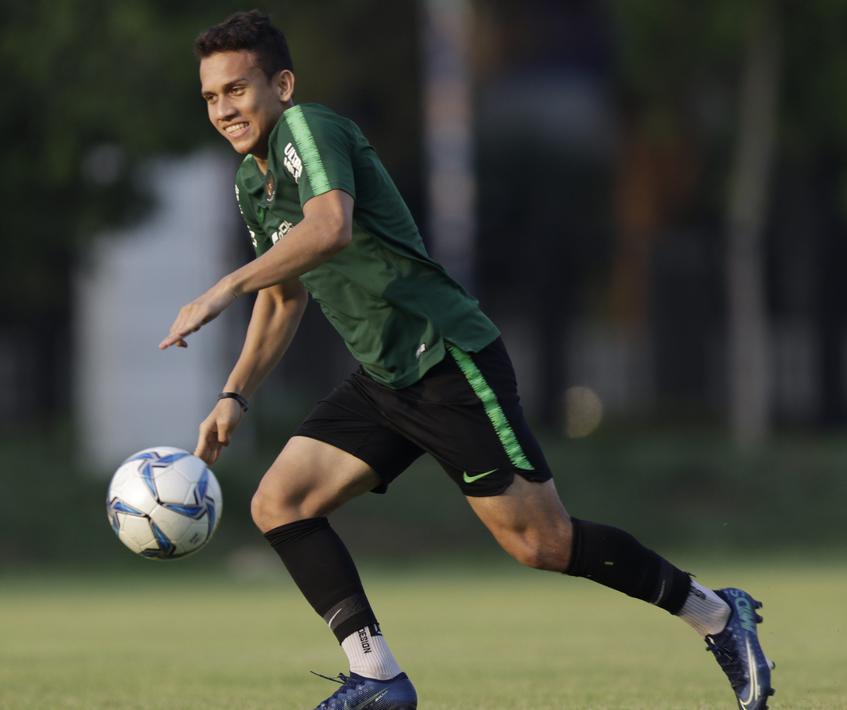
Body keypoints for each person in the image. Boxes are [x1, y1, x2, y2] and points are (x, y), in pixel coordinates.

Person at [161, 10, 774, 710]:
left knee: (541, 544)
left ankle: (716, 614)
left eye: (237, 89)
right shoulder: (252, 180)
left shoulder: (309, 128)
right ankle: (377, 677)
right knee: (280, 503)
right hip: (385, 378)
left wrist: (222, 288)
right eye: (211, 96)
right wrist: (234, 394)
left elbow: (330, 228)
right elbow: (283, 296)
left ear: (282, 85)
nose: (224, 109)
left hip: (446, 359)